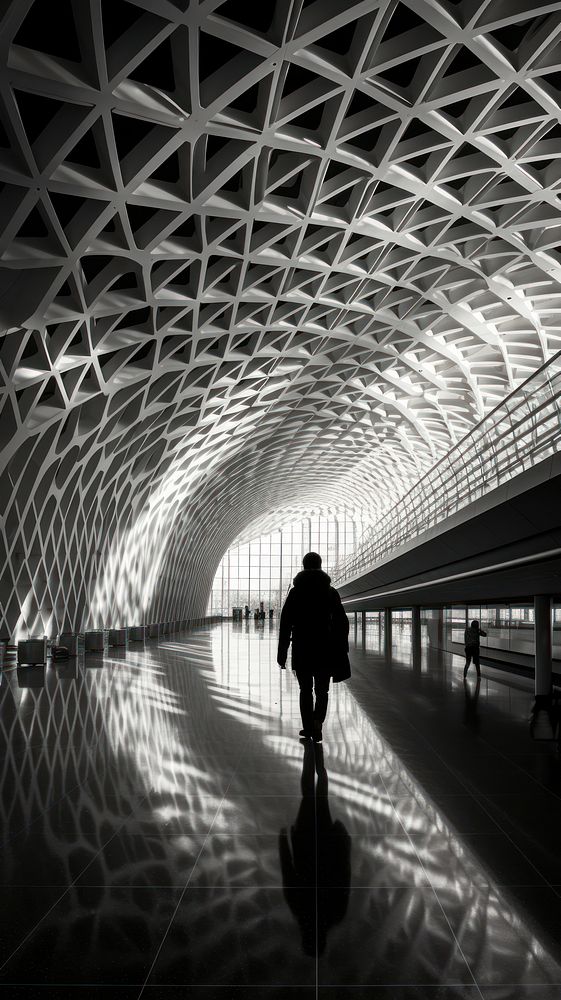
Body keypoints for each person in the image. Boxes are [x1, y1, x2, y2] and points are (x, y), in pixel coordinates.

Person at [277, 551, 350, 743]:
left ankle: (308, 726)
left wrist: (282, 652)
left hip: (302, 647)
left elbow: (285, 623)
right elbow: (342, 622)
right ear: (320, 565)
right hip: (325, 648)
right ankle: (318, 723)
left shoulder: (295, 592)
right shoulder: (331, 592)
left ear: (303, 566)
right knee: (322, 690)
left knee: (305, 689)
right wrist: (341, 647)